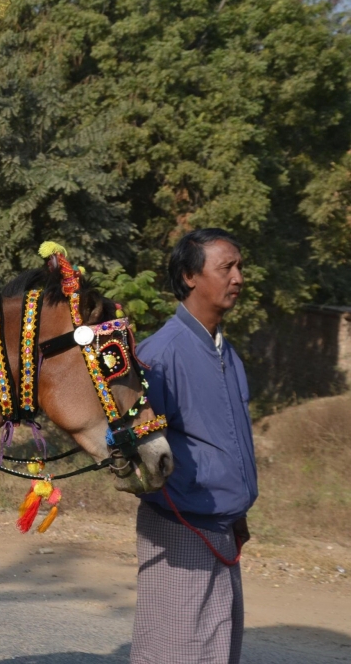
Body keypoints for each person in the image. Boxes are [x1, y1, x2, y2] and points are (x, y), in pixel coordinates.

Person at [131, 228, 256, 664]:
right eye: (227, 268)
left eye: (240, 267)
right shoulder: (161, 355)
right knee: (176, 651)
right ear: (189, 276)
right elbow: (134, 454)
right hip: (181, 529)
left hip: (221, 530)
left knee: (217, 649)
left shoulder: (226, 352)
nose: (238, 277)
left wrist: (236, 510)